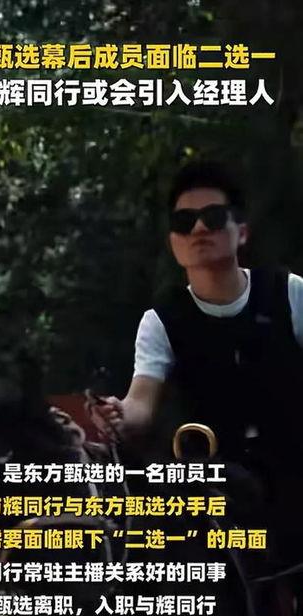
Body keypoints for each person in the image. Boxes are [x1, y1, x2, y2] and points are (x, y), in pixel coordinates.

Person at [89, 160, 303, 564]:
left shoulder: (289, 294)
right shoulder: (161, 321)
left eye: (213, 217)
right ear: (174, 241)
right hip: (216, 490)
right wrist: (118, 413)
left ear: (241, 232)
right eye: (185, 222)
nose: (199, 229)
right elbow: (140, 404)